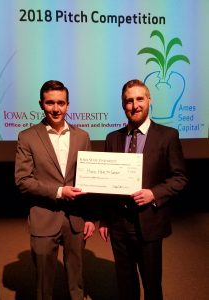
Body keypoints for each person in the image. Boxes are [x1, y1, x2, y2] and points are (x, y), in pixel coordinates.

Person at [99, 79, 188, 300]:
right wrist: (104, 219)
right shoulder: (112, 138)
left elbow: (179, 178)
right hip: (119, 224)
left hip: (149, 222)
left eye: (140, 99)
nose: (134, 105)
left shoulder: (167, 136)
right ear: (123, 105)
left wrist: (154, 193)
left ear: (149, 100)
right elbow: (106, 184)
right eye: (129, 101)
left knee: (151, 285)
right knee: (125, 284)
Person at [15, 80, 95, 300]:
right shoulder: (27, 136)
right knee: (44, 287)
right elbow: (22, 180)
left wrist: (89, 217)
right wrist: (60, 191)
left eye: (61, 103)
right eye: (50, 103)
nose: (56, 108)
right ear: (41, 104)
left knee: (76, 284)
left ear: (68, 105)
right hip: (43, 218)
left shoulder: (82, 137)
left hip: (76, 220)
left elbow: (88, 180)